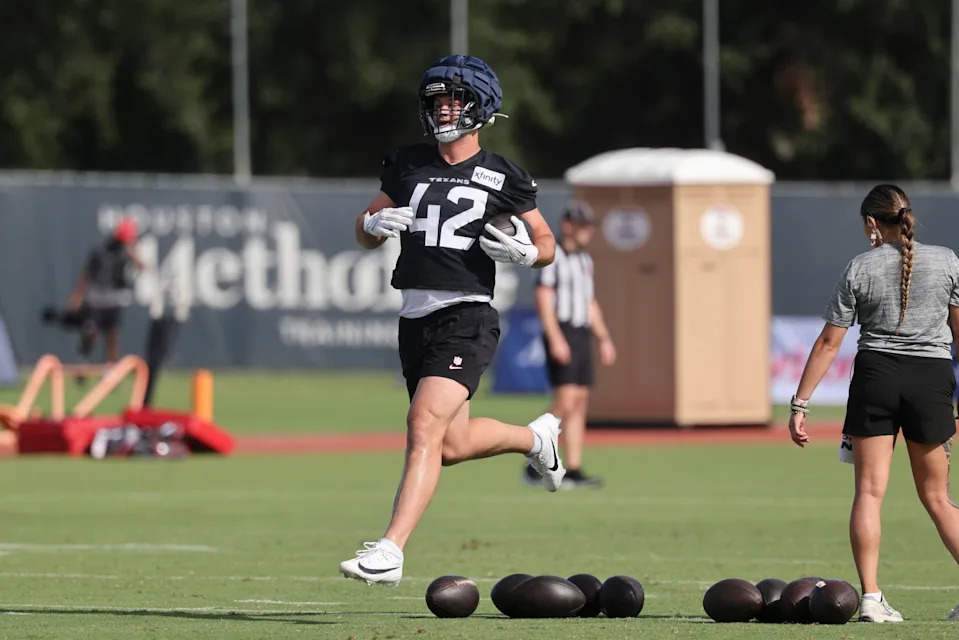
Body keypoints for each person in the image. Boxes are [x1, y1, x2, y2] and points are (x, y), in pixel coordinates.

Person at [338, 54, 564, 587]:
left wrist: (529, 254)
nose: (444, 109)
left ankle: (390, 550)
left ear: (481, 107)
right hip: (414, 317)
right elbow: (363, 230)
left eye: (455, 99)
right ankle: (536, 440)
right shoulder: (407, 163)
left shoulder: (503, 173)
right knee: (451, 445)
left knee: (422, 424)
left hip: (467, 314)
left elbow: (547, 241)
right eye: (437, 100)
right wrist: (373, 224)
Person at [787, 184, 959, 623]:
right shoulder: (947, 261)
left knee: (868, 493)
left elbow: (828, 343)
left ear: (871, 223)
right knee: (937, 498)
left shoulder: (858, 267)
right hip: (931, 381)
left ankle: (871, 598)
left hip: (875, 378)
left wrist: (800, 404)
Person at [523, 200, 616, 489]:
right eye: (583, 225)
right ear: (568, 226)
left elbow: (589, 302)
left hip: (581, 332)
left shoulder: (585, 260)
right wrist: (555, 338)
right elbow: (543, 298)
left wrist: (603, 337)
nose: (588, 231)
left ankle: (573, 467)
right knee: (565, 400)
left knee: (579, 401)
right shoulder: (555, 257)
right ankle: (533, 458)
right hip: (563, 329)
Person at [66, 217, 145, 364]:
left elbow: (142, 267)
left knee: (113, 335)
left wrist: (133, 253)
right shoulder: (101, 251)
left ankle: (111, 368)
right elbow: (87, 274)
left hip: (114, 300)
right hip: (97, 299)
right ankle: (83, 358)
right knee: (92, 331)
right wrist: (78, 295)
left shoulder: (127, 254)